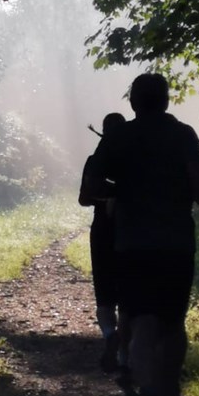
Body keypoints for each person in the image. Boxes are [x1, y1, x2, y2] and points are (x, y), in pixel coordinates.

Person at [93, 73, 199, 396]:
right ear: (166, 101)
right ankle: (169, 394)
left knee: (138, 316)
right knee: (173, 320)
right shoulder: (182, 135)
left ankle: (147, 387)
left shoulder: (119, 137)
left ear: (133, 102)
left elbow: (92, 185)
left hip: (131, 245)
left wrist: (123, 190)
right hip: (175, 244)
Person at [78, 112, 130, 373]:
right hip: (132, 232)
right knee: (129, 294)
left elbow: (83, 199)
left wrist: (106, 198)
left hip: (102, 232)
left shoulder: (95, 161)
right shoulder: (137, 160)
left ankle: (110, 335)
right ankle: (125, 358)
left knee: (104, 292)